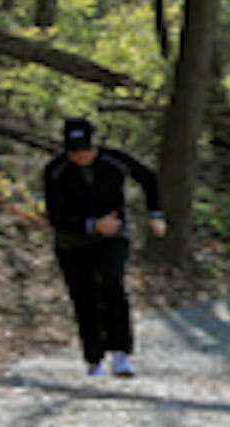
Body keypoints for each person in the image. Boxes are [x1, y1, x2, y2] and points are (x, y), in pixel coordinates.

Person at [43, 117, 167, 377]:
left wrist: (155, 214)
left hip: (114, 235)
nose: (81, 156)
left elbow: (148, 178)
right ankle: (93, 359)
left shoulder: (115, 160)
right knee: (84, 296)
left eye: (85, 149)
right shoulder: (55, 171)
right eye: (74, 151)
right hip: (73, 241)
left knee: (113, 285)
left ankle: (121, 354)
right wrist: (91, 226)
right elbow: (55, 216)